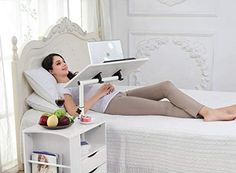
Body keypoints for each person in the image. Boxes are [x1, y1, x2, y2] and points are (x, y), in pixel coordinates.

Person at [42, 53, 236, 121]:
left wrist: (105, 83)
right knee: (165, 107)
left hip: (119, 95)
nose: (64, 64)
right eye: (58, 63)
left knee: (165, 86)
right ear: (51, 71)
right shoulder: (63, 89)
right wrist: (100, 93)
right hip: (111, 105)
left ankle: (209, 111)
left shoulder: (79, 75)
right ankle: (212, 113)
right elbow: (75, 113)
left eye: (63, 60)